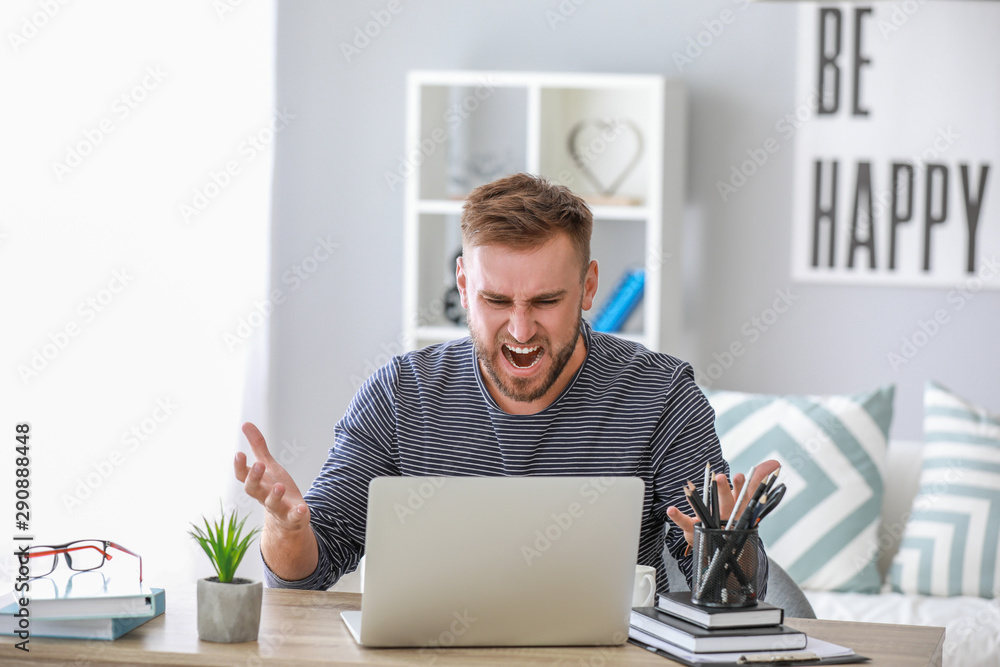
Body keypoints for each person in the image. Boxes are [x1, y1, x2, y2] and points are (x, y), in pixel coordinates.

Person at [235, 173, 777, 595]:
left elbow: (733, 596)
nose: (520, 330)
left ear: (588, 287)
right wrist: (286, 529)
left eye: (546, 301)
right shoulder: (401, 394)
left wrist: (729, 546)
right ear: (465, 286)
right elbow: (305, 577)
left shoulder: (661, 396)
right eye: (497, 301)